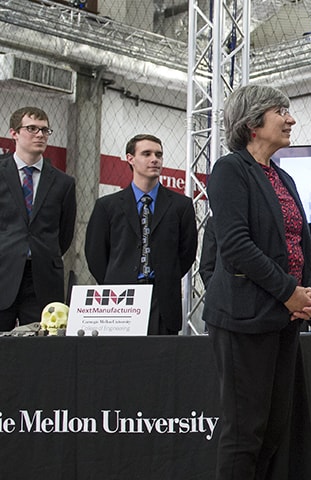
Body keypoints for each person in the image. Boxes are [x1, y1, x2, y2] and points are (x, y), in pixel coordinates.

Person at [203, 84, 311, 480]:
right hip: (243, 319)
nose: (291, 119)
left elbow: (299, 242)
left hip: (282, 320)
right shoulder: (229, 170)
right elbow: (236, 246)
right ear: (253, 124)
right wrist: (290, 292)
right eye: (280, 112)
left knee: (272, 431)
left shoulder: (281, 176)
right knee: (243, 434)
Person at [85, 134, 198, 335]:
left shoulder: (181, 206)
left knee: (161, 363)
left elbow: (187, 251)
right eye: (146, 154)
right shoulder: (107, 206)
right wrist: (117, 280)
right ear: (130, 159)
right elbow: (95, 254)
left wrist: (165, 275)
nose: (155, 159)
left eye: (159, 154)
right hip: (120, 300)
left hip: (162, 299)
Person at [0, 107, 76, 330]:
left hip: (43, 276)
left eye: (44, 130)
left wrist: (41, 251)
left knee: (40, 351)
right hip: (3, 271)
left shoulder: (63, 183)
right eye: (32, 129)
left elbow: (64, 234)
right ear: (14, 133)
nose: (40, 135)